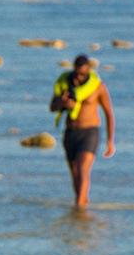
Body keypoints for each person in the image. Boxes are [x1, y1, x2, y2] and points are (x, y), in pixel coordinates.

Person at [49, 54, 115, 206]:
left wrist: (110, 141)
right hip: (71, 133)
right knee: (75, 175)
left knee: (83, 170)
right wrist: (63, 103)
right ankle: (82, 207)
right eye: (76, 73)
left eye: (82, 74)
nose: (79, 77)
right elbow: (52, 107)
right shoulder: (65, 84)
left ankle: (78, 208)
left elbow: (109, 114)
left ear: (89, 70)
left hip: (89, 133)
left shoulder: (98, 87)